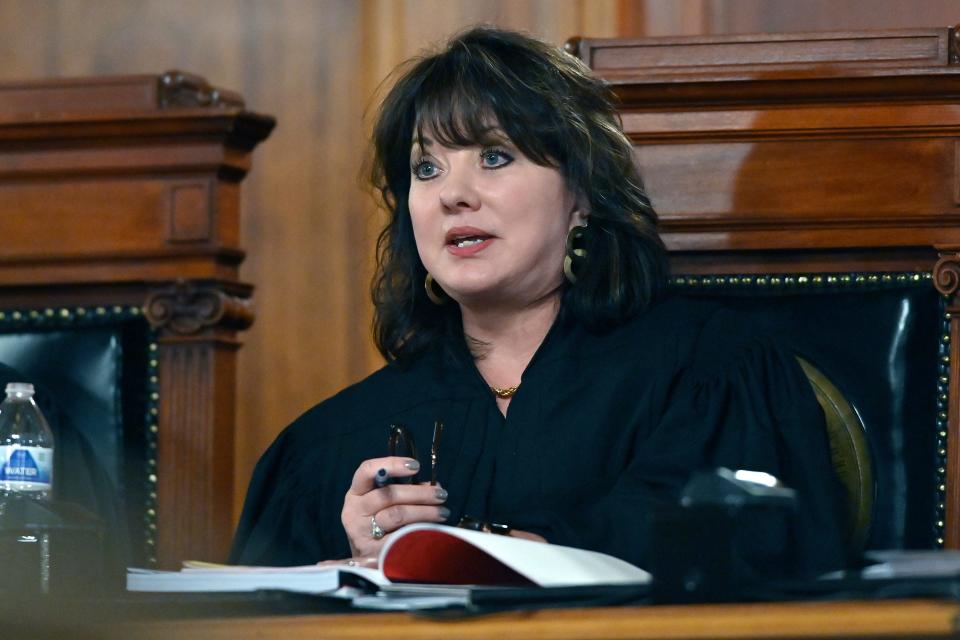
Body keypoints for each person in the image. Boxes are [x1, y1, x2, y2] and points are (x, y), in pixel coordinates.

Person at [230, 26, 846, 573]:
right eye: (426, 169)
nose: (454, 195)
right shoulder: (330, 445)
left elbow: (734, 550)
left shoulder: (708, 369)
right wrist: (364, 564)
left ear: (582, 195)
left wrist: (468, 553)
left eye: (494, 156)